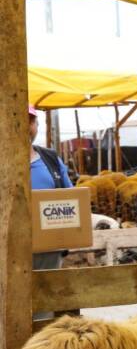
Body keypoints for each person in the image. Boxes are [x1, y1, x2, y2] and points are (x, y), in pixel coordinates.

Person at [29, 105, 74, 271]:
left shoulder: (51, 159)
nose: (25, 126)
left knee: (48, 293)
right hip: (7, 248)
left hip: (48, 250)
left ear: (37, 126)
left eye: (31, 121)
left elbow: (71, 199)